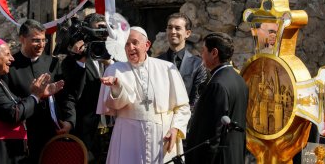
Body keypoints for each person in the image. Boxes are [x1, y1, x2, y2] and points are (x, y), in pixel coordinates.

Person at [96, 26, 191, 163]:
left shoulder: (166, 68)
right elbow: (112, 107)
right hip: (128, 138)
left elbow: (182, 106)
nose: (130, 48)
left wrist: (176, 128)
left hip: (162, 137)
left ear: (147, 45)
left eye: (135, 42)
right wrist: (117, 87)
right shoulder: (115, 70)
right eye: (127, 44)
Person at [0, 37, 64, 164]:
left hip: (7, 152)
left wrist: (40, 96)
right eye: (7, 54)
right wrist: (35, 96)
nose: (12, 58)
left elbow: (16, 105)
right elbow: (13, 113)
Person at [3, 19, 69, 164]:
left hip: (53, 134)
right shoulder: (10, 67)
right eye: (35, 40)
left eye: (43, 40)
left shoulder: (53, 62)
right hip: (24, 138)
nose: (41, 45)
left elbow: (66, 97)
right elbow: (9, 103)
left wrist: (70, 121)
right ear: (22, 39)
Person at [186, 32, 248, 164]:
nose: (201, 56)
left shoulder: (217, 85)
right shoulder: (239, 80)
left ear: (214, 53)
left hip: (219, 159)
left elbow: (212, 133)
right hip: (234, 156)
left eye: (203, 51)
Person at [61, 13, 113, 163]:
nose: (103, 33)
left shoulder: (114, 57)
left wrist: (110, 63)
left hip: (113, 128)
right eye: (99, 29)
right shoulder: (73, 60)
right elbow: (72, 93)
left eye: (106, 29)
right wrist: (80, 61)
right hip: (86, 131)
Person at [157, 13, 207, 111]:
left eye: (177, 28)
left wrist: (180, 123)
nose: (173, 31)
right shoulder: (156, 62)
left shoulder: (198, 64)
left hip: (185, 122)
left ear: (187, 33)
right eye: (170, 27)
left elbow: (196, 101)